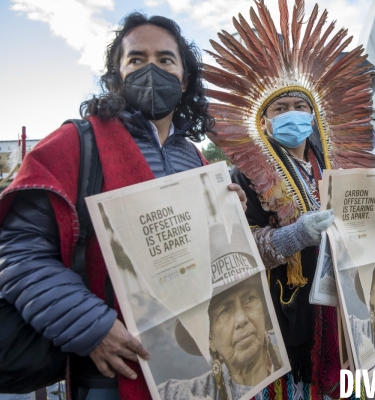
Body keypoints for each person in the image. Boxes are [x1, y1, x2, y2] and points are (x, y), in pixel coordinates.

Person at [0, 13, 249, 399]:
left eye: (166, 60)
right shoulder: (75, 144)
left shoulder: (196, 160)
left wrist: (228, 218)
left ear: (183, 81)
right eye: (137, 59)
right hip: (109, 367)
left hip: (195, 360)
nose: (152, 69)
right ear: (117, 76)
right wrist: (91, 326)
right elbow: (17, 252)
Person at [202, 1, 375, 397]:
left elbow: (356, 220)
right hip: (290, 304)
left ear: (314, 116)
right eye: (280, 108)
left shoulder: (334, 163)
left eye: (300, 107)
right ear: (264, 120)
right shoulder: (245, 176)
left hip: (342, 294)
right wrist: (293, 236)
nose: (292, 114)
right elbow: (245, 248)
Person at [160, 275, 283, 400]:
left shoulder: (298, 363)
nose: (241, 319)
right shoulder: (195, 392)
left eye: (249, 299)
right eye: (225, 310)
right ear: (210, 340)